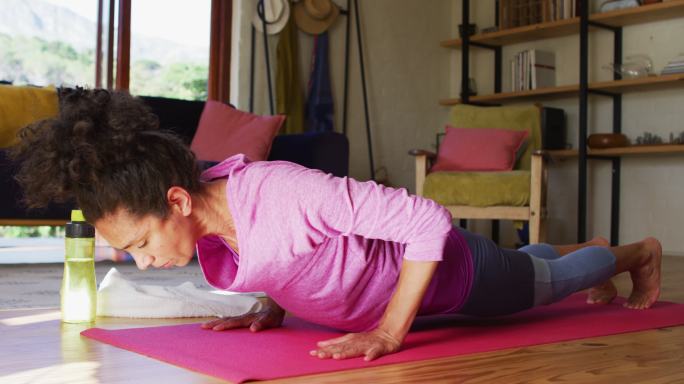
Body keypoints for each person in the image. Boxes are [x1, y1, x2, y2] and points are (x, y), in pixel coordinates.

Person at [10, 89, 662, 362]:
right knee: (537, 261)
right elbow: (293, 259)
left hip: (458, 280)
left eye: (141, 245)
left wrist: (385, 331)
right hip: (431, 289)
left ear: (176, 200)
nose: (144, 262)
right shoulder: (210, 224)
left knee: (553, 283)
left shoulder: (283, 190)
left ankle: (632, 253)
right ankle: (566, 254)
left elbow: (425, 218)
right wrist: (268, 306)